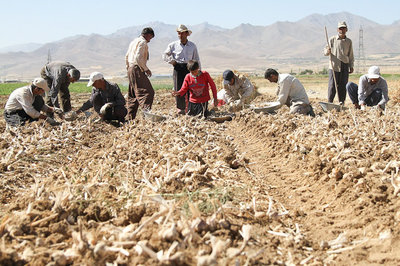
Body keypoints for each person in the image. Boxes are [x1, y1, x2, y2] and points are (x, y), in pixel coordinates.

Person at [163, 24, 200, 115]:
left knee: (191, 87)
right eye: (179, 33)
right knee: (178, 88)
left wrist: (198, 71)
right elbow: (165, 55)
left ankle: (191, 107)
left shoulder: (192, 46)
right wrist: (172, 62)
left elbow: (196, 59)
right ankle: (180, 108)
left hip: (189, 68)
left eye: (182, 33)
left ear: (187, 34)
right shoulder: (173, 45)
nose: (180, 35)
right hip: (178, 68)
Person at [125, 27, 155, 120]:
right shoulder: (142, 42)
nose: (150, 40)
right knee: (148, 92)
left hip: (131, 68)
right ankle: (146, 116)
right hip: (137, 68)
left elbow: (126, 56)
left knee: (133, 95)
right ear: (148, 35)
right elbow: (138, 58)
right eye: (150, 37)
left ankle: (130, 118)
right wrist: (146, 69)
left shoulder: (133, 42)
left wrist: (129, 69)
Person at [324, 21, 354, 104]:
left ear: (346, 29)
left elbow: (350, 54)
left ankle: (341, 102)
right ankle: (330, 102)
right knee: (332, 85)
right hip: (334, 65)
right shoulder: (332, 39)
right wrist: (328, 51)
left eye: (344, 28)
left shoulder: (349, 41)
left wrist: (351, 65)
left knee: (343, 85)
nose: (342, 30)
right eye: (340, 28)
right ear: (337, 29)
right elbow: (325, 51)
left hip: (345, 65)